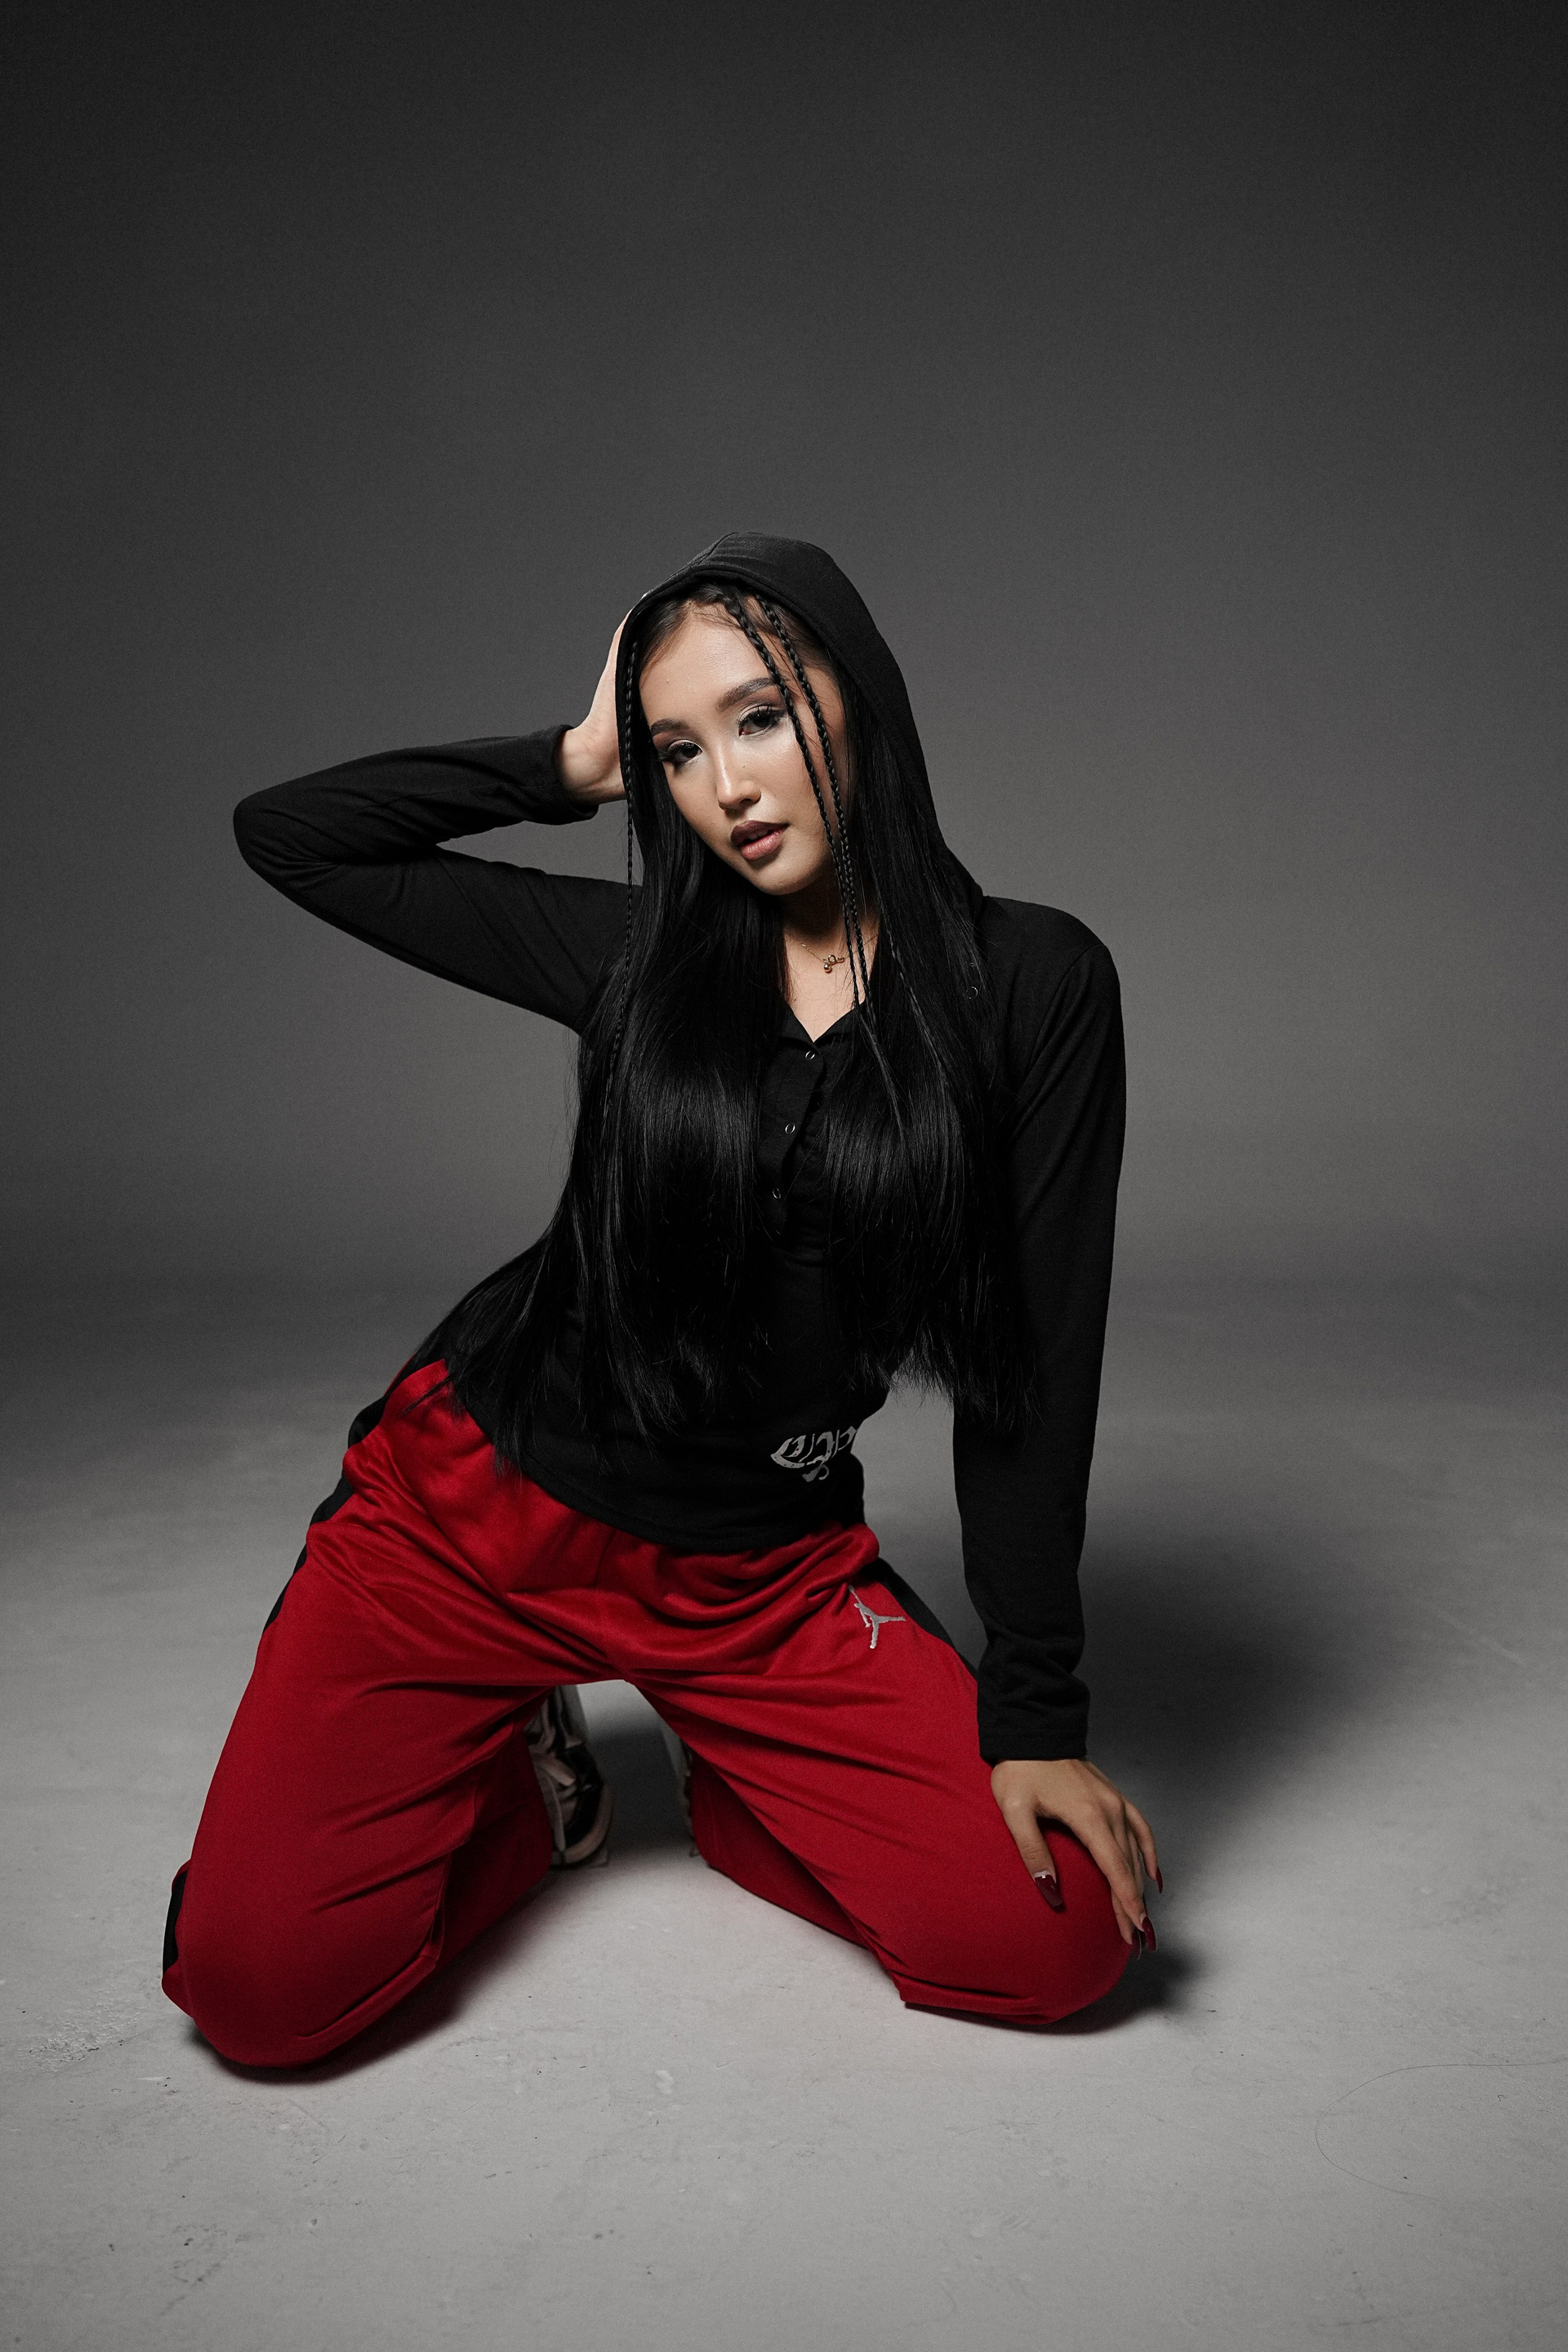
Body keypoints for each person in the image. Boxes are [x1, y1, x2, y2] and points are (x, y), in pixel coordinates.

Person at [161, 534, 1160, 2068]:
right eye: (678, 751)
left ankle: (737, 1781)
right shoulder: (644, 959)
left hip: (757, 1578)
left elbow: (1032, 1372)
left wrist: (1036, 1716)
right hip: (474, 1524)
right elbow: (293, 838)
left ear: (865, 700)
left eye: (760, 719)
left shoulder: (1034, 984)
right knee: (255, 1993)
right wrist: (572, 762)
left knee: (1061, 1934)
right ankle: (521, 1783)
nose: (726, 787)